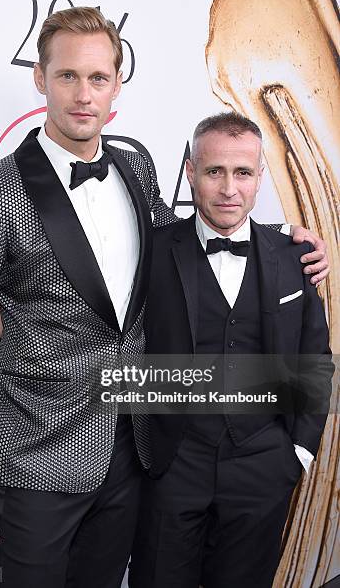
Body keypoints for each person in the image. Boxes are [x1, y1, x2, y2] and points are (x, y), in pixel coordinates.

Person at [0, 7, 328, 588]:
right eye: (68, 76)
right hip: (39, 462)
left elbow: (188, 242)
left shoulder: (136, 168)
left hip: (137, 457)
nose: (84, 95)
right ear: (40, 79)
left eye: (98, 78)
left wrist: (277, 239)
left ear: (118, 84)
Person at [128, 113, 334, 588]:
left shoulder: (294, 257)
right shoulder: (152, 251)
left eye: (242, 173)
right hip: (173, 464)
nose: (228, 188)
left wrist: (298, 451)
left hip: (264, 463)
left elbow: (315, 361)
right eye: (214, 171)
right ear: (190, 172)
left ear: (260, 176)